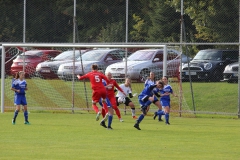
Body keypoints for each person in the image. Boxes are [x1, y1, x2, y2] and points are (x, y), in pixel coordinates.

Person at [77, 64, 114, 129]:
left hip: (96, 91)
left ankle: (98, 112)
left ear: (92, 68)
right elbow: (107, 80)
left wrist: (78, 76)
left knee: (94, 104)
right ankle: (106, 118)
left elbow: (80, 78)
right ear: (97, 68)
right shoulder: (100, 74)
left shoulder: (90, 74)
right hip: (103, 91)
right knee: (104, 102)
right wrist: (109, 84)